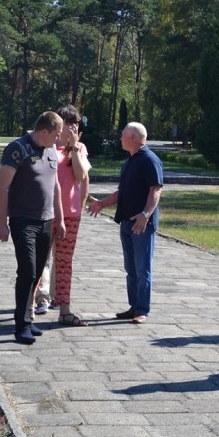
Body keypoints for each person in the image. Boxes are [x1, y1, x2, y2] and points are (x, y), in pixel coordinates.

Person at [0, 111, 66, 345]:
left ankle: (28, 318)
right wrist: (1, 222)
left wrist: (60, 219)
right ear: (43, 131)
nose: (58, 139)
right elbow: (2, 187)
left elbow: (55, 187)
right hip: (22, 219)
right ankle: (21, 325)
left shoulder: (51, 150)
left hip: (46, 220)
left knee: (36, 272)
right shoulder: (18, 149)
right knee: (26, 270)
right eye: (56, 135)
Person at [87, 122, 163, 325]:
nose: (120, 138)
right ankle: (134, 306)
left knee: (142, 268)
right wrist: (102, 204)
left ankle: (142, 310)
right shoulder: (129, 161)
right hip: (126, 222)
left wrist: (145, 214)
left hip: (141, 224)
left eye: (122, 135)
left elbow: (155, 190)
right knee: (130, 268)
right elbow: (122, 193)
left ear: (133, 137)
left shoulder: (149, 160)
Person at [49, 104, 91, 326]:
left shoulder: (80, 148)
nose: (74, 126)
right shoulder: (48, 147)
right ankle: (30, 308)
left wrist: (73, 148)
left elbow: (79, 175)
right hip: (46, 213)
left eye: (76, 123)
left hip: (71, 214)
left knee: (64, 263)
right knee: (39, 262)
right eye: (69, 122)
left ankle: (64, 310)